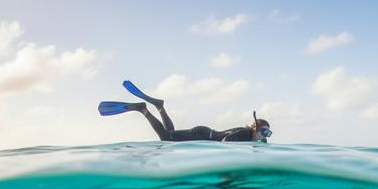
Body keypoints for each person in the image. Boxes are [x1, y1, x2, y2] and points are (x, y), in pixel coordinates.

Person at [98, 80, 272, 143]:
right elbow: (226, 140)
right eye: (265, 132)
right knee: (165, 137)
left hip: (202, 133)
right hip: (201, 135)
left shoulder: (248, 136)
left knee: (170, 137)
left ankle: (159, 106)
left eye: (268, 133)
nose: (265, 136)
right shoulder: (245, 134)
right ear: (256, 128)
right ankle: (143, 109)